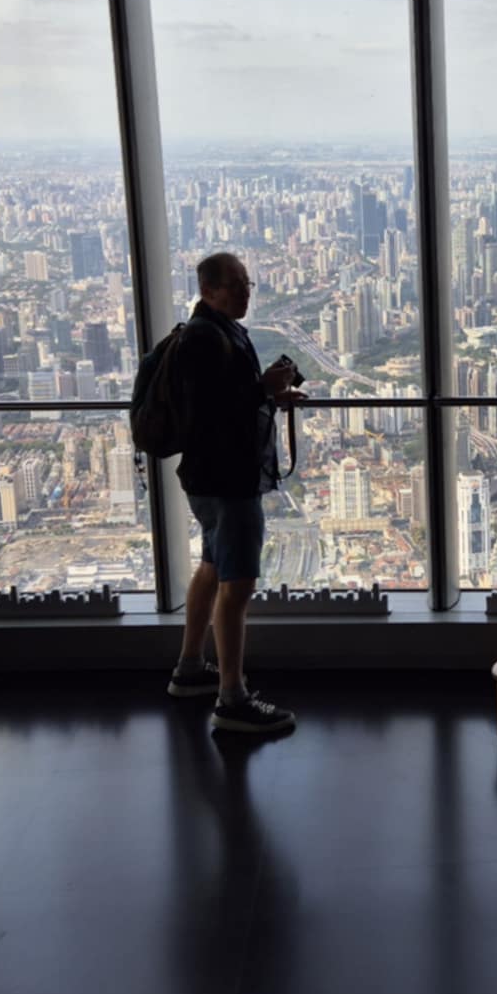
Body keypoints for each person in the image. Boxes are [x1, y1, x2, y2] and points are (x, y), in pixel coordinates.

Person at [165, 251, 307, 734]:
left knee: (212, 567)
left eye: (248, 283)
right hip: (226, 480)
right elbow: (208, 413)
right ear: (208, 291)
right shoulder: (204, 338)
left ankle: (189, 670)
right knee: (238, 585)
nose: (247, 293)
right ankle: (232, 699)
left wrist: (272, 392)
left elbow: (227, 398)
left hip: (214, 477)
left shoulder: (218, 330)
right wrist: (262, 389)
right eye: (237, 285)